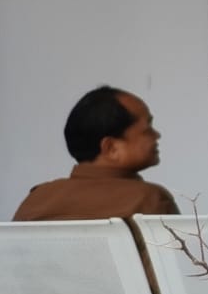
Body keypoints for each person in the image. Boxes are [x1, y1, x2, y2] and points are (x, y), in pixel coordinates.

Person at [13, 86, 179, 221]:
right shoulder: (151, 200)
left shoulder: (37, 200)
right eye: (147, 129)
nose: (157, 135)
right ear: (111, 147)